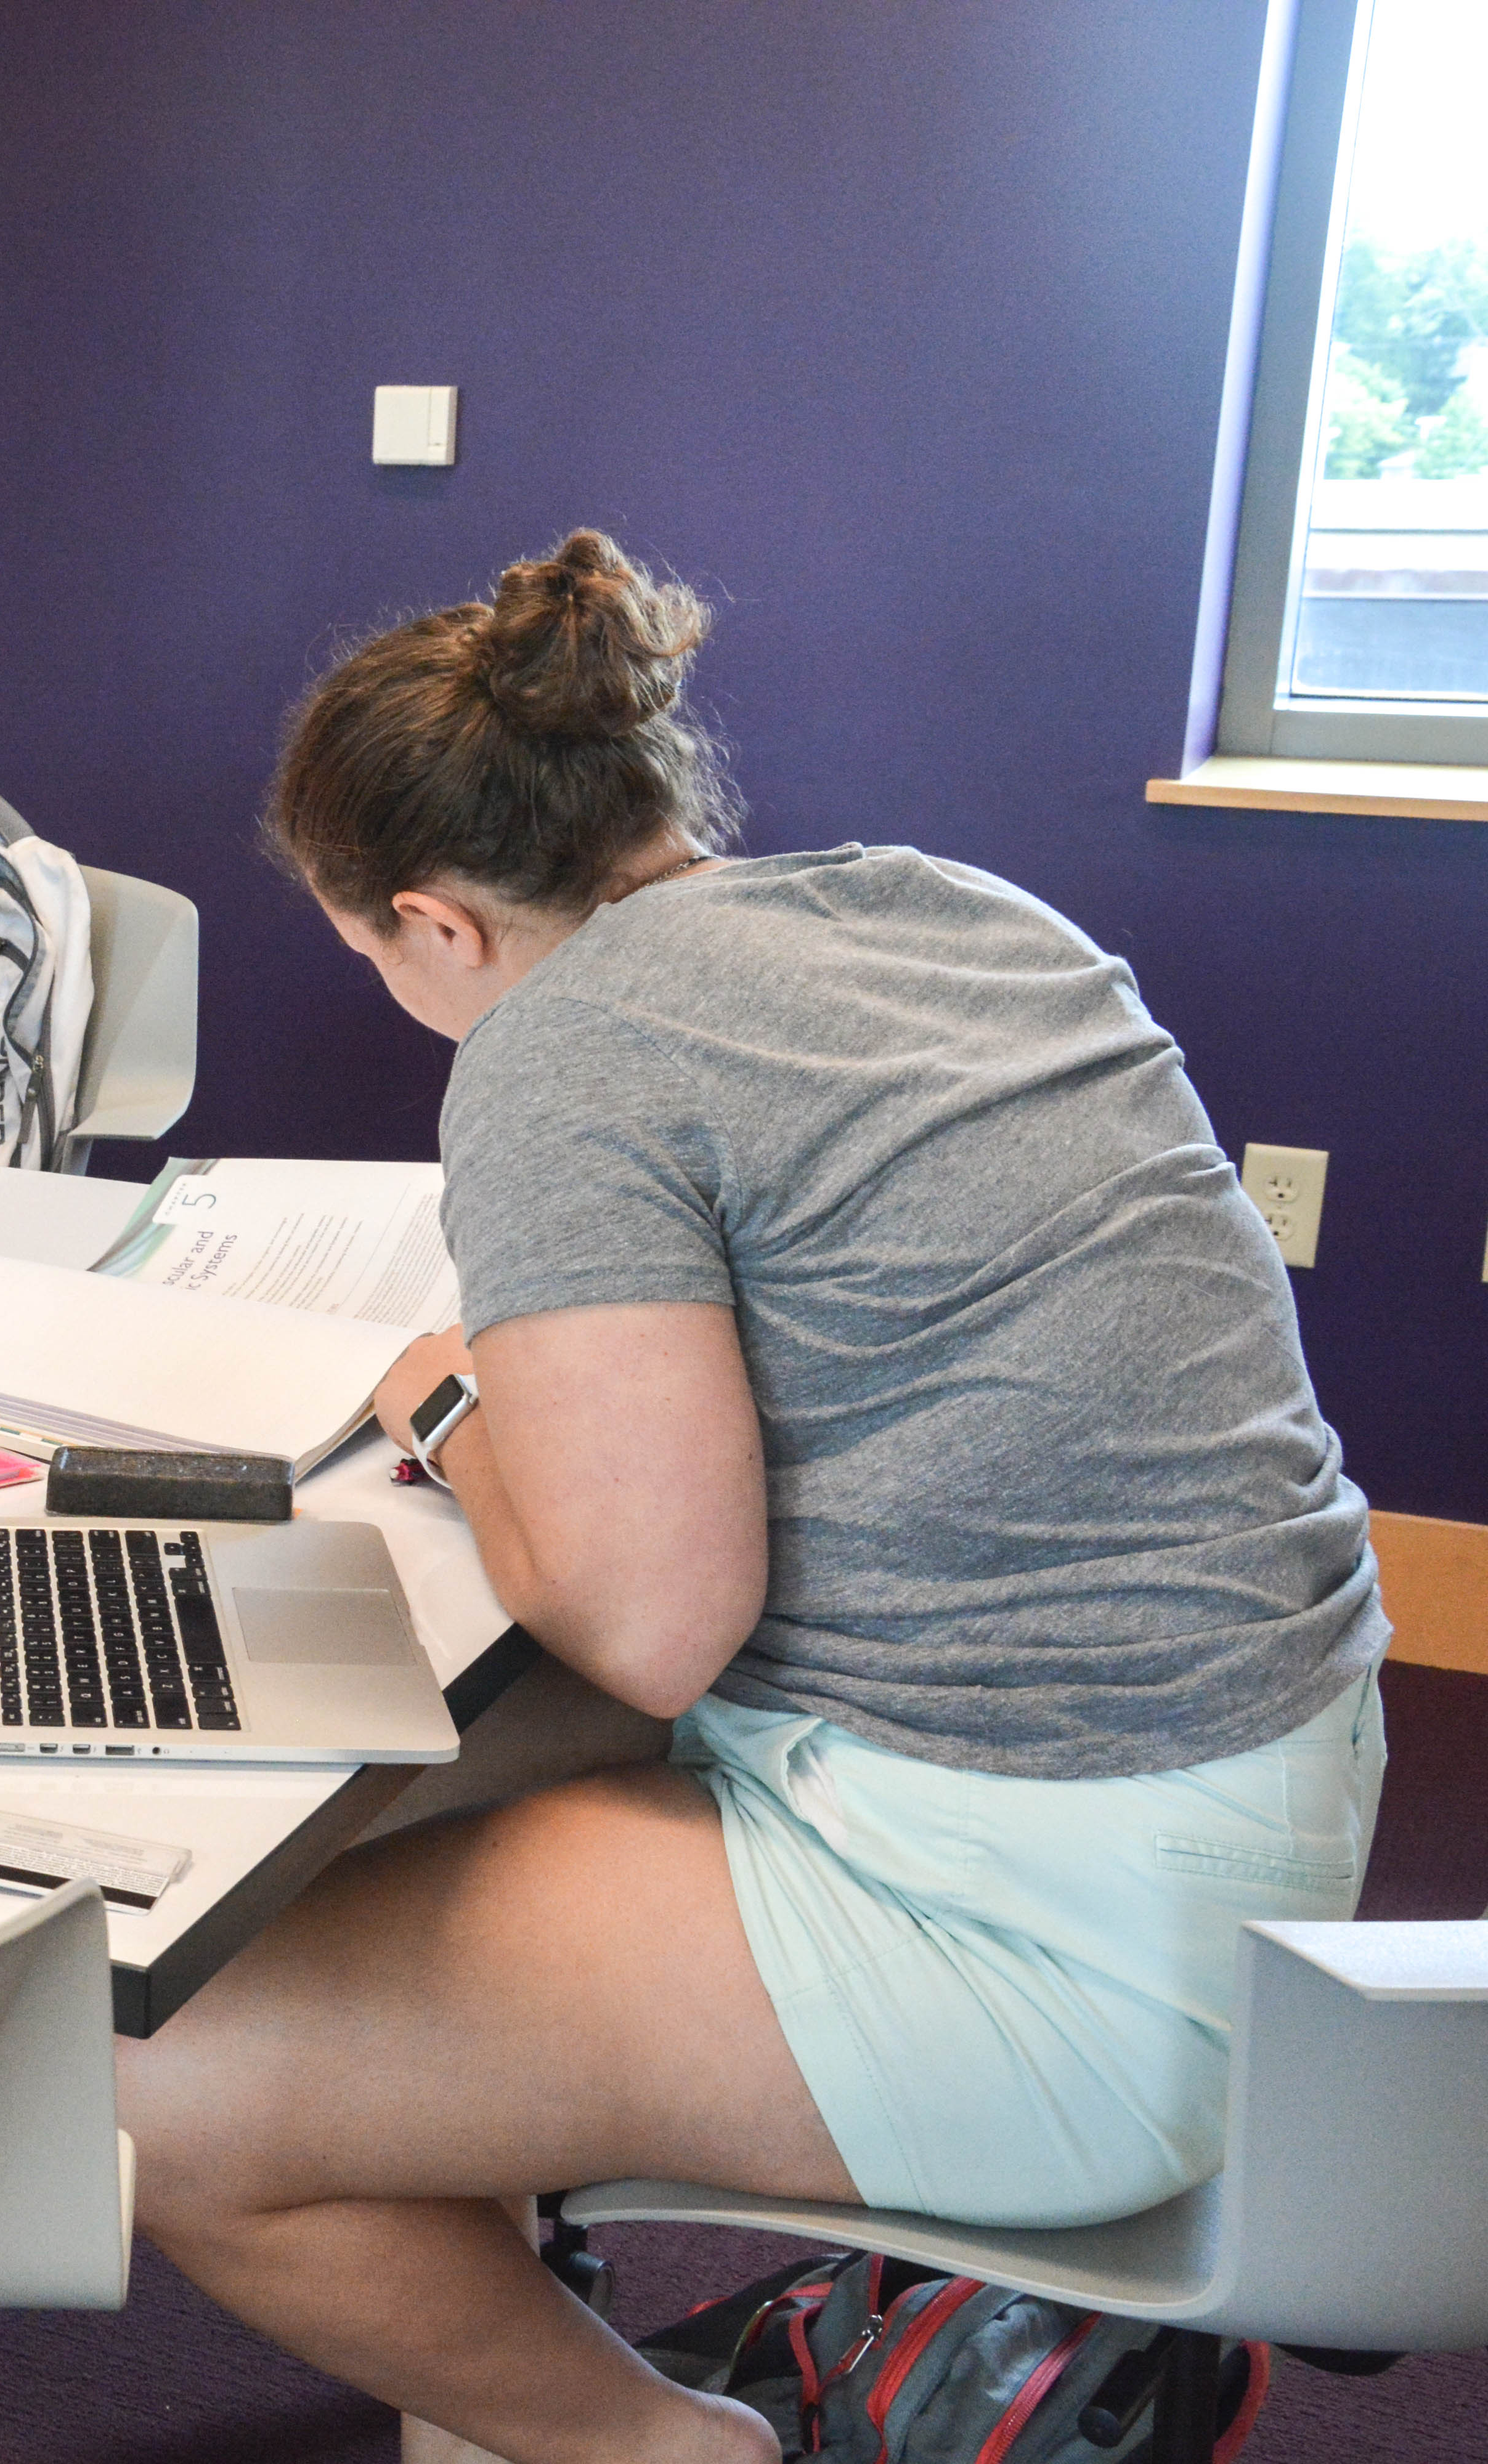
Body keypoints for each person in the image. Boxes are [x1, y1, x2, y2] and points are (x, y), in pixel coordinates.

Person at [117, 532, 1388, 2464]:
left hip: (1058, 1931)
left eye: (368, 949)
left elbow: (649, 1623)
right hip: (1260, 1781)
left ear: (436, 923)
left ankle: (666, 2450)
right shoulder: (940, 906)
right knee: (331, 1835)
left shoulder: (568, 1053)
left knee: (163, 2085)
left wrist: (459, 1411)